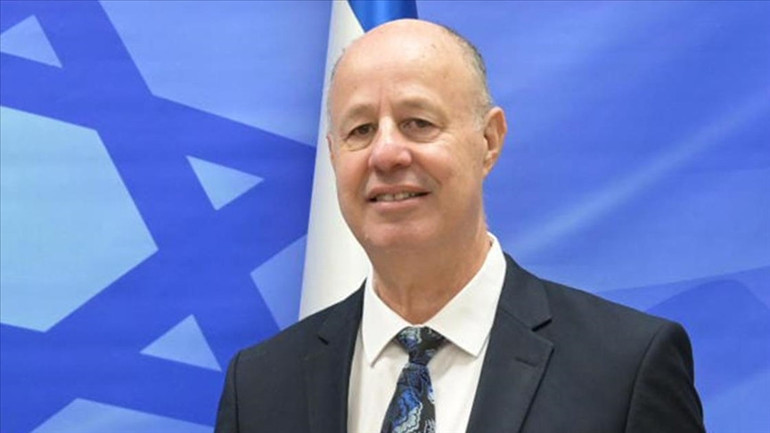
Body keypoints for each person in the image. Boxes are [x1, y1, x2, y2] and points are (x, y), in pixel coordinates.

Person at [215, 19, 705, 433]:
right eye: (360, 130)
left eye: (418, 122)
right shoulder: (258, 387)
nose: (386, 153)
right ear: (333, 156)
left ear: (489, 140)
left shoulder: (624, 369)